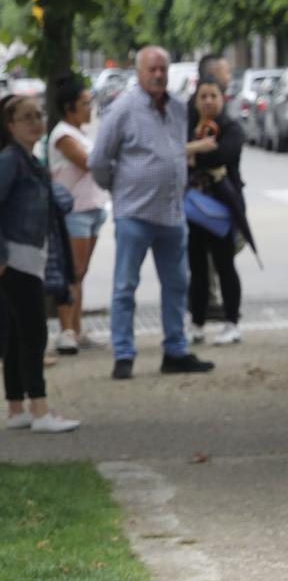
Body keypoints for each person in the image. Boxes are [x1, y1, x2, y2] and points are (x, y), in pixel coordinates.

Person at [88, 46, 215, 380]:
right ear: (139, 72)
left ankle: (176, 350)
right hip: (135, 213)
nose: (159, 75)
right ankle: (124, 354)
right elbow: (99, 160)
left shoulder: (176, 107)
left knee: (176, 284)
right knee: (125, 286)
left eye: (163, 69)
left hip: (172, 213)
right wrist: (119, 189)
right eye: (152, 70)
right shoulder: (122, 110)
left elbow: (175, 149)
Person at [0, 95, 82, 434]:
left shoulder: (28, 159)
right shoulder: (11, 161)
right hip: (17, 259)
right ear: (10, 126)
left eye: (39, 115)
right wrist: (1, 252)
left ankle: (16, 408)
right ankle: (40, 409)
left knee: (20, 334)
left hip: (28, 256)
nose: (36, 122)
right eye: (27, 117)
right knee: (33, 333)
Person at [46, 75, 108, 355]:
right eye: (85, 103)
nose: (90, 107)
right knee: (71, 272)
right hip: (74, 212)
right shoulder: (62, 135)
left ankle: (77, 328)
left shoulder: (80, 133)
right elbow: (88, 162)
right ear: (70, 107)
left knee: (79, 273)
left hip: (92, 208)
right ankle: (66, 330)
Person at [185, 79, 249, 346]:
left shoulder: (231, 127)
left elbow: (224, 155)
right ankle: (197, 324)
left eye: (213, 96)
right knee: (197, 269)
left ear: (222, 99)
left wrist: (190, 153)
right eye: (203, 96)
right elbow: (174, 156)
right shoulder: (187, 127)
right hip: (192, 208)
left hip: (222, 207)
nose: (208, 101)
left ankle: (232, 323)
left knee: (225, 265)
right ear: (196, 101)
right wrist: (195, 149)